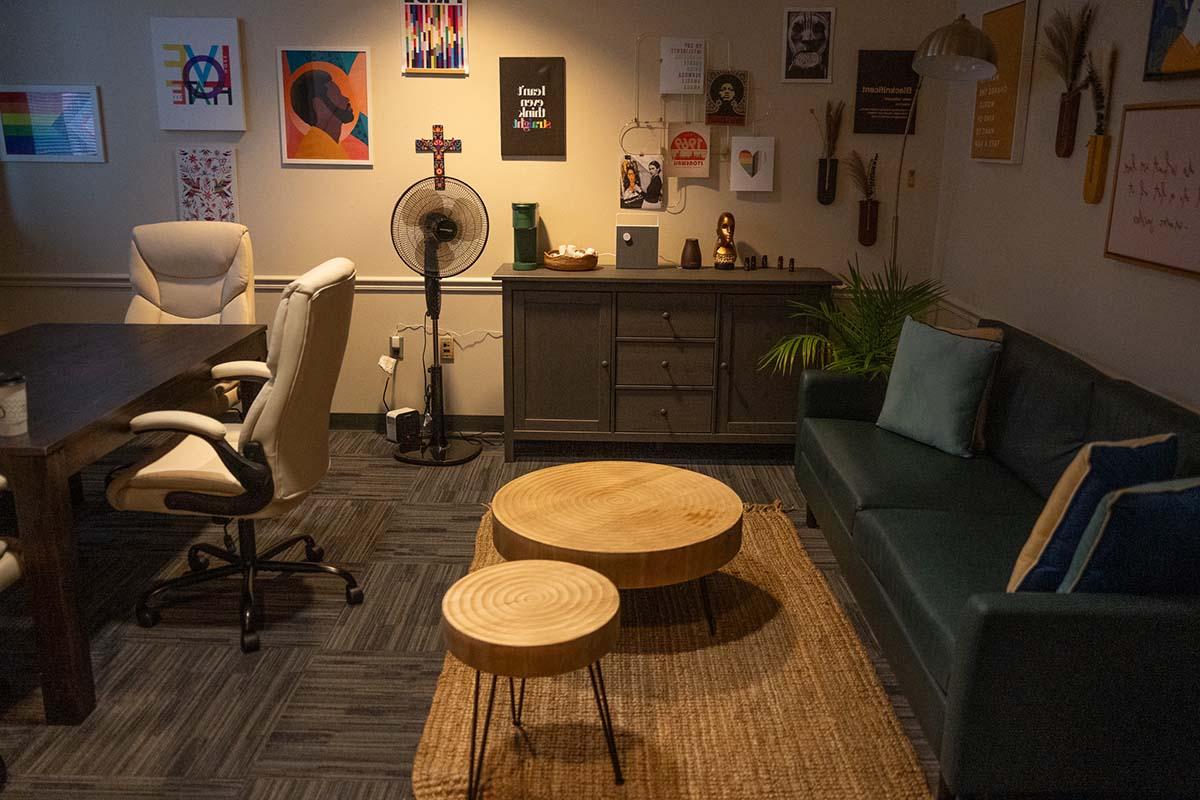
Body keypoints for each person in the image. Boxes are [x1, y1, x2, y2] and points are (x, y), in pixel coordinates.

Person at [290, 69, 355, 159]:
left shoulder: (328, 145)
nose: (346, 99)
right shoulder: (315, 152)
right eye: (338, 95)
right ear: (320, 107)